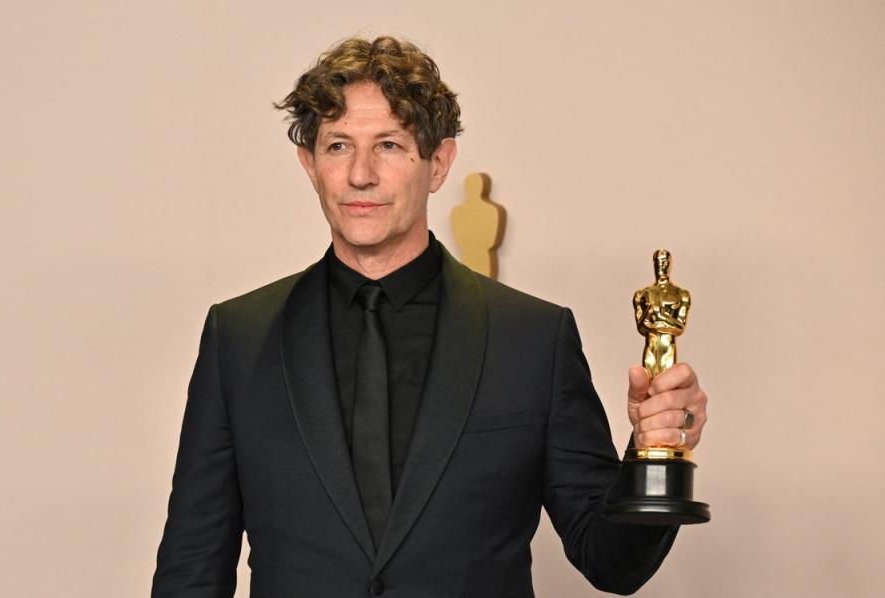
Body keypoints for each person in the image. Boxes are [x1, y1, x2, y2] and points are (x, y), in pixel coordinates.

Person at [152, 36, 709, 597]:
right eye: (338, 146)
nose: (360, 175)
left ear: (438, 163)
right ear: (310, 165)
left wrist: (655, 452)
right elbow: (192, 568)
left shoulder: (533, 339)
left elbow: (612, 562)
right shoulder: (239, 338)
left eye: (389, 146)